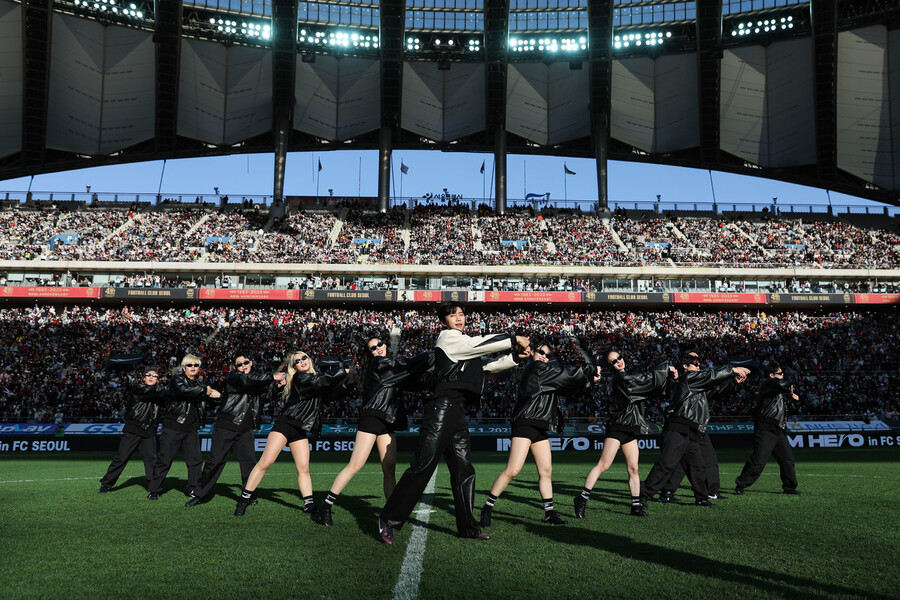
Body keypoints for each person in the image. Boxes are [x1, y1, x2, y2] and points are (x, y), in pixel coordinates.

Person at [378, 302, 529, 544]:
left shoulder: (462, 345)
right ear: (444, 321)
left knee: (464, 470)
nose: (458, 318)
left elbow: (485, 368)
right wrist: (512, 339)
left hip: (458, 411)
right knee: (422, 466)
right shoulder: (449, 338)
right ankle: (388, 519)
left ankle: (468, 528)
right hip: (442, 409)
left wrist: (513, 357)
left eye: (461, 314)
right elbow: (478, 344)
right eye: (452, 315)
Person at [480, 343, 599, 528]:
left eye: (548, 354)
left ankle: (549, 513)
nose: (544, 356)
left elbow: (568, 387)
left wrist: (589, 379)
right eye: (541, 352)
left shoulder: (546, 372)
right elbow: (566, 375)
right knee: (513, 470)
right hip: (526, 422)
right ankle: (487, 509)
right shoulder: (535, 368)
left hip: (539, 425)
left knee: (546, 471)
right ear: (532, 353)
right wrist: (589, 368)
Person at [320, 337, 433, 526]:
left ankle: (392, 511)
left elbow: (413, 382)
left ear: (386, 345)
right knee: (355, 465)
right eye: (373, 348)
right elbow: (404, 365)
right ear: (370, 353)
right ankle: (327, 505)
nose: (378, 348)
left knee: (389, 468)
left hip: (388, 419)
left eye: (380, 344)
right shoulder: (379, 362)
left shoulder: (393, 369)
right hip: (372, 416)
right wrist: (433, 355)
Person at [234, 350, 349, 517]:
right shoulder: (301, 378)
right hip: (286, 424)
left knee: (303, 469)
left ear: (309, 359)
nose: (302, 361)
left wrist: (349, 382)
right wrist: (342, 370)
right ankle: (244, 499)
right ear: (293, 367)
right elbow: (321, 381)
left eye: (304, 358)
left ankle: (309, 505)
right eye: (297, 361)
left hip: (300, 428)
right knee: (265, 463)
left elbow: (330, 393)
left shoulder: (314, 379)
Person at [639, 350, 750, 508]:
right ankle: (643, 495)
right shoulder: (688, 379)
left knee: (697, 466)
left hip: (690, 431)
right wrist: (731, 370)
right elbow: (710, 377)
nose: (699, 366)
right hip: (678, 429)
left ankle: (701, 497)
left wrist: (733, 382)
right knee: (666, 465)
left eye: (699, 363)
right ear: (685, 366)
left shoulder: (696, 384)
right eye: (695, 363)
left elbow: (714, 391)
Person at [574, 349, 676, 518]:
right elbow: (643, 380)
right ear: (610, 366)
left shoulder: (626, 376)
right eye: (614, 361)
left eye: (619, 357)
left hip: (629, 427)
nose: (619, 361)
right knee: (603, 465)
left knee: (633, 468)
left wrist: (669, 378)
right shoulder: (622, 378)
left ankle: (635, 506)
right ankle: (582, 498)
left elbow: (649, 389)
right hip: (618, 427)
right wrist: (664, 369)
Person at [185, 352, 285, 507]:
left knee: (249, 463)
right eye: (239, 364)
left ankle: (249, 494)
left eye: (246, 362)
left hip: (245, 429)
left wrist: (278, 388)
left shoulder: (254, 382)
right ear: (234, 367)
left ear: (251, 363)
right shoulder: (234, 376)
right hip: (226, 426)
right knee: (215, 462)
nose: (243, 366)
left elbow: (264, 397)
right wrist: (274, 377)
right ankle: (199, 494)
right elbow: (246, 381)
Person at [146, 354, 221, 500]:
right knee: (165, 460)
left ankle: (194, 490)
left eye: (196, 365)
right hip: (173, 426)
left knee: (195, 461)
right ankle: (154, 489)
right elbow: (185, 391)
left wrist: (217, 398)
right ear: (183, 367)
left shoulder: (201, 384)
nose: (193, 367)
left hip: (191, 428)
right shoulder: (177, 380)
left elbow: (207, 401)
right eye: (190, 365)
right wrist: (207, 391)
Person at [735, 361, 801, 495]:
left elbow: (787, 411)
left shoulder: (778, 392)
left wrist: (795, 402)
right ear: (771, 375)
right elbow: (780, 384)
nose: (783, 375)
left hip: (778, 429)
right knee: (759, 459)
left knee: (787, 460)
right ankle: (741, 484)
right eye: (780, 373)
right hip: (766, 428)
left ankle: (789, 487)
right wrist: (790, 382)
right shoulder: (768, 383)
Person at [98, 368, 167, 493]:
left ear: (158, 379)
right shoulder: (138, 388)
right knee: (121, 457)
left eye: (155, 375)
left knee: (151, 460)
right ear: (143, 377)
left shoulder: (159, 392)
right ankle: (106, 484)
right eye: (148, 375)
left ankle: (154, 489)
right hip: (133, 428)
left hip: (149, 430)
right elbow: (149, 391)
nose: (151, 377)